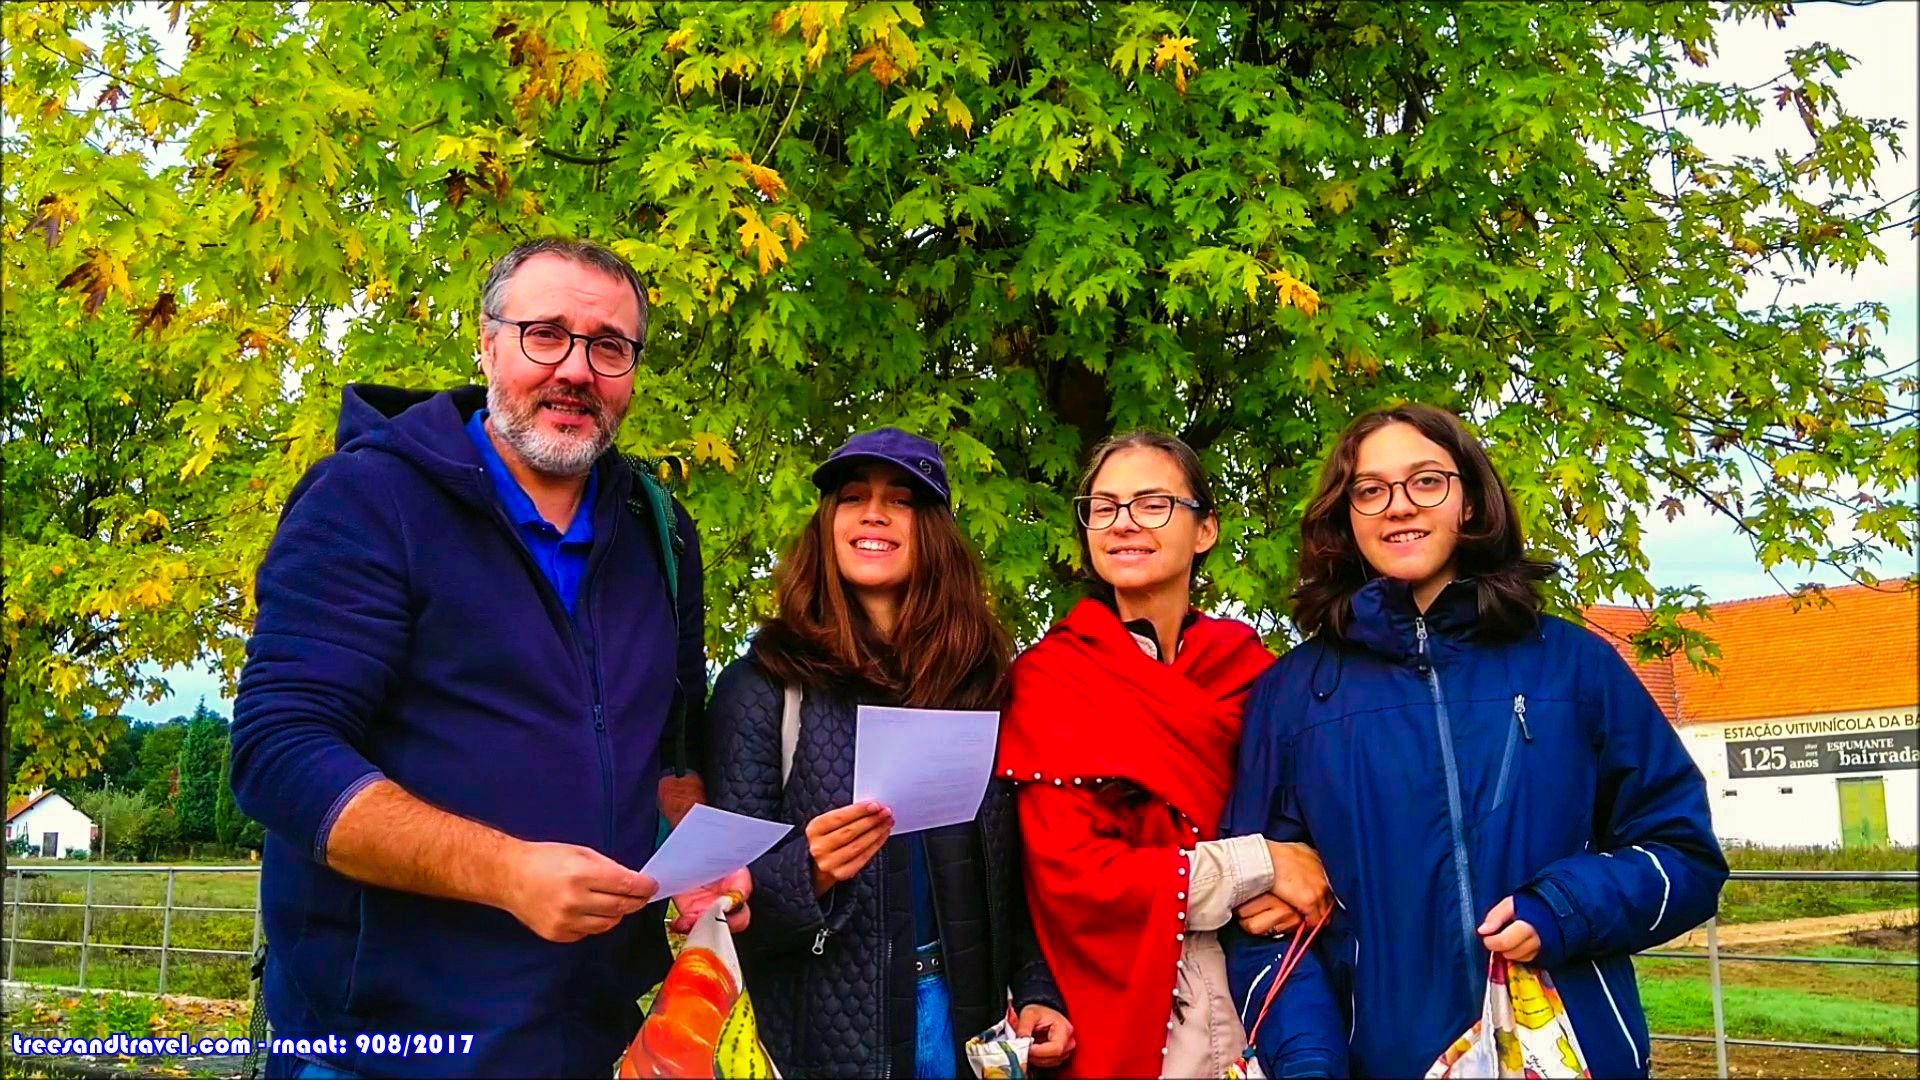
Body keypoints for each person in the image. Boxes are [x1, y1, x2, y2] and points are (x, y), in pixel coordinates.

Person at [230, 238, 745, 1079]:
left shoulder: (659, 531)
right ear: (487, 342)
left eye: (609, 347)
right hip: (386, 1051)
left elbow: (671, 754)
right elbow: (280, 754)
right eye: (546, 334)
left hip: (591, 1042)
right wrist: (506, 871)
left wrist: (695, 866)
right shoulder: (368, 499)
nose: (576, 369)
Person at [1223, 403, 1728, 1078]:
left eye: (1426, 481)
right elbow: (1257, 924)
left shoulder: (1573, 667)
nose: (1399, 506)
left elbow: (1683, 856)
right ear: (1346, 518)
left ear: (1469, 500)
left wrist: (1567, 907)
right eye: (1370, 490)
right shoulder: (1291, 696)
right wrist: (1308, 1062)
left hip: (1560, 1053)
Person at [704, 428, 1074, 1079]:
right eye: (853, 497)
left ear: (933, 532)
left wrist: (1038, 988)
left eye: (900, 500)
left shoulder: (980, 687)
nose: (873, 513)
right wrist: (809, 872)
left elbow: (1013, 879)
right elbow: (719, 904)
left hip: (967, 1033)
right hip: (822, 1045)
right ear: (828, 524)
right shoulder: (764, 686)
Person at [996, 431, 1332, 1079]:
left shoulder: (1253, 671)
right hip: (1126, 1012)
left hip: (1265, 1005)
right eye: (1104, 507)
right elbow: (1074, 878)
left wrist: (1314, 882)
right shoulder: (1051, 679)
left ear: (1205, 529)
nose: (1124, 523)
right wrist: (1262, 865)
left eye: (1153, 504)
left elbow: (1320, 836)